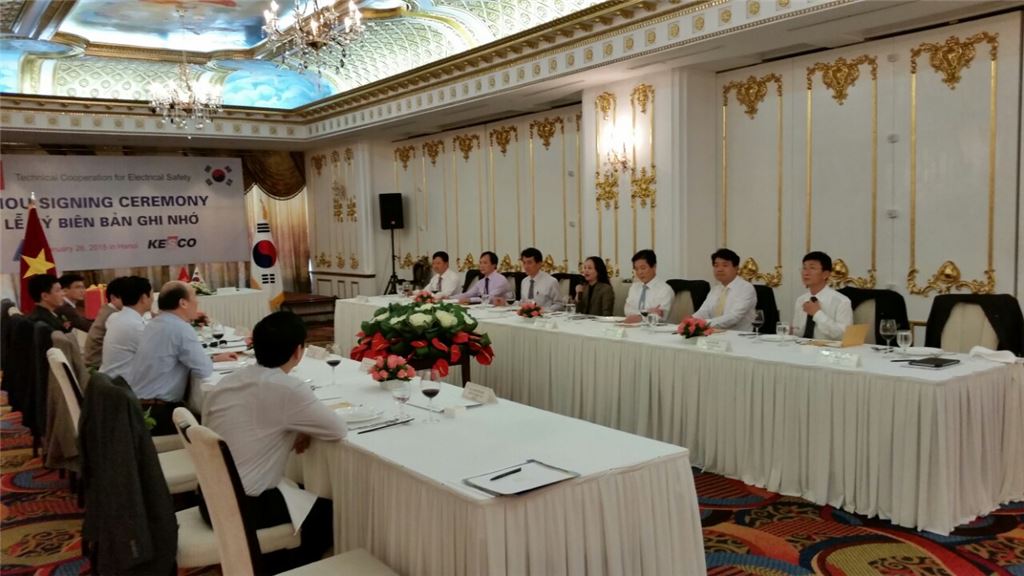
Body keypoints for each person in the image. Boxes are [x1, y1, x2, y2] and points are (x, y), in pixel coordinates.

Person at [202, 311, 346, 572]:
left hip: (207, 496)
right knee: (331, 516)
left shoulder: (229, 381)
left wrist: (299, 428)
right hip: (241, 507)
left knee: (299, 491)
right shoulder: (287, 388)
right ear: (298, 351)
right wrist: (303, 428)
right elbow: (337, 430)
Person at [127, 281, 236, 435]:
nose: (197, 302)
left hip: (138, 408)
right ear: (183, 303)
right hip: (158, 413)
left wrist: (213, 359)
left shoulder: (154, 323)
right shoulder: (180, 328)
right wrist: (209, 360)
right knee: (217, 424)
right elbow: (203, 370)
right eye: (194, 297)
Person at [100, 276, 153, 380]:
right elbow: (158, 355)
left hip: (110, 380)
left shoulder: (116, 317)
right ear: (143, 298)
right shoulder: (134, 326)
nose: (152, 299)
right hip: (122, 386)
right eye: (151, 295)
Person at [792, 251, 853, 340]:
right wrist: (791, 331)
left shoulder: (842, 301)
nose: (805, 273)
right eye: (804, 268)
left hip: (828, 348)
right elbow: (798, 332)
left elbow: (844, 335)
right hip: (801, 346)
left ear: (825, 274)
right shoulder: (801, 300)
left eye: (812, 268)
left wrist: (817, 314)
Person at [691, 248, 757, 331]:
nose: (719, 269)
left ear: (736, 268)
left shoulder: (746, 288)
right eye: (716, 265)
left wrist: (703, 324)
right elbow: (704, 311)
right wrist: (690, 321)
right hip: (714, 335)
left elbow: (734, 317)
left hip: (738, 336)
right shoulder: (715, 289)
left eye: (725, 265)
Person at [84, 277, 125, 369]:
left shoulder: (108, 309)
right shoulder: (112, 315)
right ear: (113, 298)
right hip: (98, 367)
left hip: (98, 363)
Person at [623, 249, 673, 322]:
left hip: (655, 328)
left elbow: (659, 317)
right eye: (636, 269)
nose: (639, 272)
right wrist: (648, 312)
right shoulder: (634, 287)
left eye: (643, 268)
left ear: (654, 267)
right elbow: (627, 311)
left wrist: (639, 317)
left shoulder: (665, 290)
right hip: (633, 326)